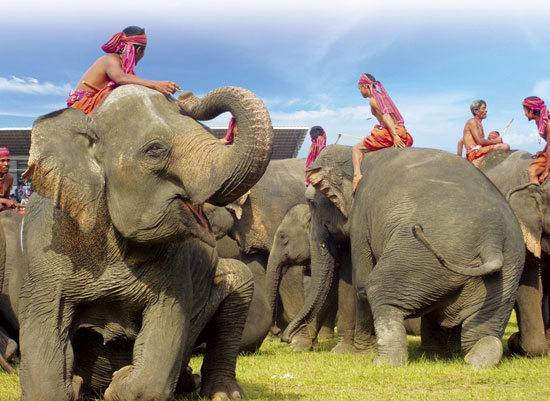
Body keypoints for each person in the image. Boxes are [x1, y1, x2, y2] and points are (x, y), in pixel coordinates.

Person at [67, 26, 181, 115]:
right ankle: (90, 125)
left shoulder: (118, 64)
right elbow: (120, 78)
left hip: (91, 105)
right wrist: (156, 84)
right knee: (118, 92)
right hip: (83, 107)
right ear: (139, 51)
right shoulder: (111, 60)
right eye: (143, 53)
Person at [352, 73, 413, 194]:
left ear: (365, 86)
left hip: (390, 133)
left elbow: (386, 116)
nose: (360, 91)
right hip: (401, 130)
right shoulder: (382, 97)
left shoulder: (373, 100)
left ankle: (357, 175)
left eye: (360, 88)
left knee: (356, 148)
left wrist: (394, 136)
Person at [460, 99, 509, 168]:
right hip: (474, 153)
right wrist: (496, 141)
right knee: (505, 146)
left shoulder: (478, 123)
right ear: (476, 111)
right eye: (483, 108)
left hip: (477, 151)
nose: (486, 110)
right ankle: (478, 160)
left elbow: (460, 141)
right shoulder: (472, 122)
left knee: (501, 145)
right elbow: (479, 141)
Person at [523, 96, 550, 184]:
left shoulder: (548, 124)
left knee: (532, 170)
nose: (525, 114)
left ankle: (535, 195)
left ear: (531, 111)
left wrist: (546, 171)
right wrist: (543, 151)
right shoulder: (540, 122)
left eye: (525, 111)